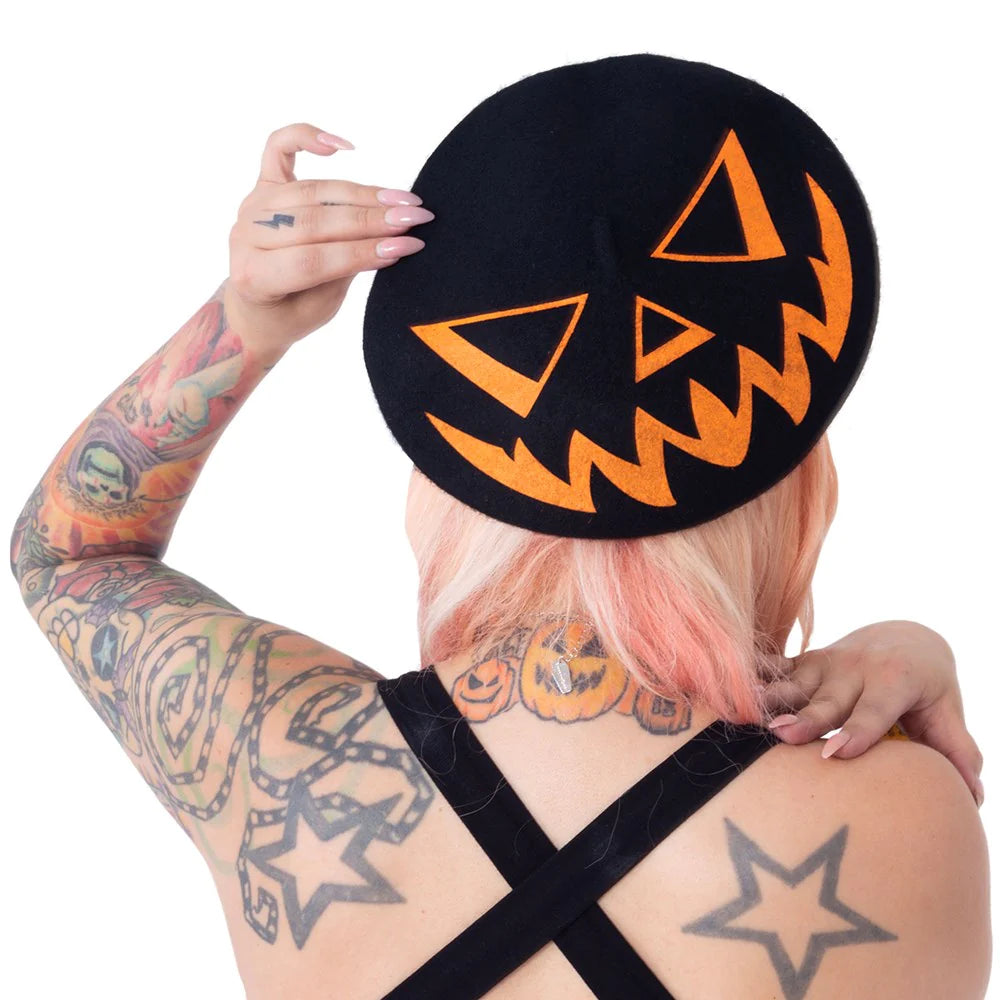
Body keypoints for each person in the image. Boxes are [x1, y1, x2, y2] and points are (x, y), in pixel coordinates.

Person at [8, 66, 991, 1000]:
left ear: (449, 471)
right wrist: (910, 677)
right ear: (790, 478)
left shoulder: (284, 765)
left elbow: (70, 554)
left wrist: (246, 320)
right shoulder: (897, 810)